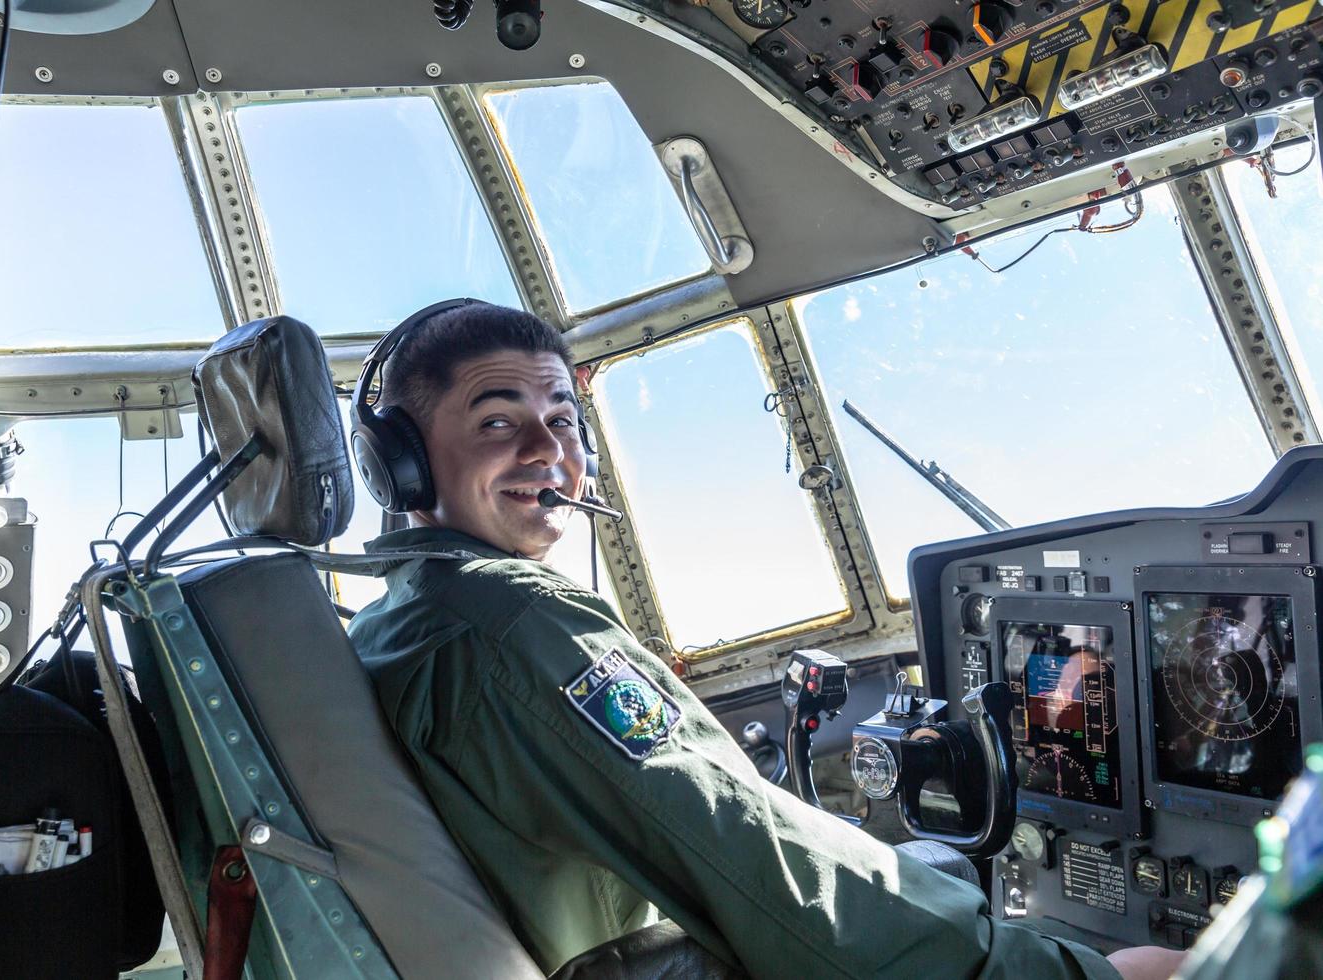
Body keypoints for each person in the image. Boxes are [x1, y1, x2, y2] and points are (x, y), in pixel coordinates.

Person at [346, 301, 1184, 980]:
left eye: (563, 421)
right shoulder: (508, 626)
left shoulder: (407, 618)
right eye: (498, 423)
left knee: (933, 867)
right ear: (404, 468)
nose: (549, 454)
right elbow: (740, 851)